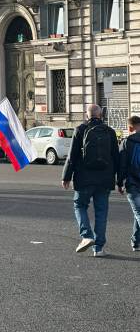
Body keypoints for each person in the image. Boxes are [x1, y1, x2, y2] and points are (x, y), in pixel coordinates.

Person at [62, 104, 119, 257]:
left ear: (87, 116)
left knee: (79, 205)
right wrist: (120, 180)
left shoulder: (80, 130)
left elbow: (72, 156)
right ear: (101, 115)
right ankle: (99, 248)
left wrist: (66, 177)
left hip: (84, 178)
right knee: (101, 212)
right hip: (105, 180)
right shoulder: (110, 132)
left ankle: (86, 235)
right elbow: (116, 157)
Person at [117, 116, 140, 252]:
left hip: (132, 184)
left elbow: (122, 166)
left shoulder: (126, 142)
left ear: (130, 128)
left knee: (138, 212)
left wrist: (119, 183)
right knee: (137, 213)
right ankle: (135, 241)